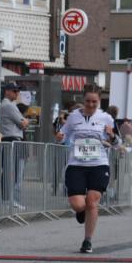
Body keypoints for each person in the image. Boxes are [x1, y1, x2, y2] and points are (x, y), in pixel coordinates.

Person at [55, 86, 115, 253]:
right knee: (79, 205)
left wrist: (112, 136)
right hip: (76, 165)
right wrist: (59, 137)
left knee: (92, 202)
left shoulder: (106, 118)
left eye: (94, 101)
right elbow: (63, 135)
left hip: (99, 164)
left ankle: (87, 240)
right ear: (83, 100)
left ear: (99, 101)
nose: (90, 104)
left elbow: (117, 142)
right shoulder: (73, 117)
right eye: (88, 101)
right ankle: (81, 212)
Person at [0, 82, 29, 209]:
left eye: (18, 91)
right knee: (12, 171)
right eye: (15, 91)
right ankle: (10, 200)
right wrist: (25, 121)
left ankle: (8, 200)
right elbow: (23, 123)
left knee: (10, 170)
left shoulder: (8, 105)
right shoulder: (9, 105)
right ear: (7, 91)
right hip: (12, 139)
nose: (17, 93)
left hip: (10, 139)